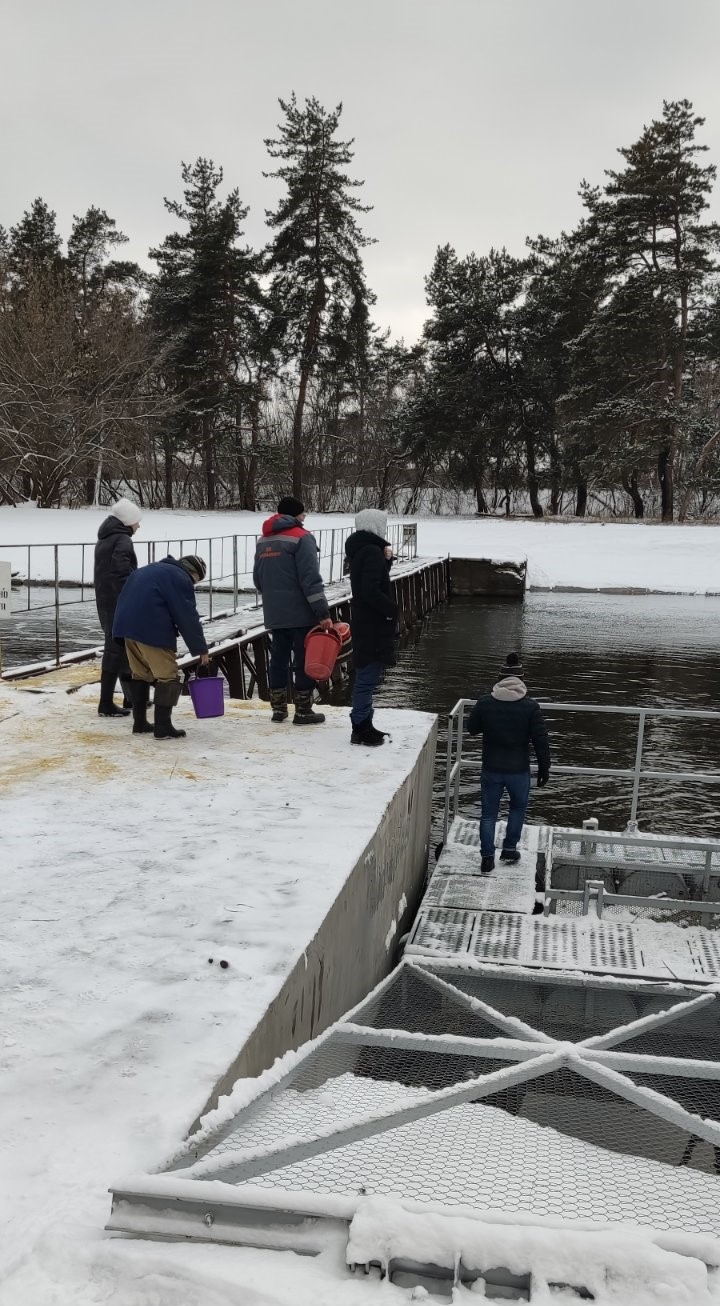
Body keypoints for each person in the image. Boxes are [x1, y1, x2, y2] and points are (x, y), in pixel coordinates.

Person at [467, 652, 550, 872]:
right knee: (517, 808)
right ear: (521, 681)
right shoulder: (530, 706)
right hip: (518, 770)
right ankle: (509, 849)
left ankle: (486, 858)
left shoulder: (485, 702)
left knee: (488, 814)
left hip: (491, 768)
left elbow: (471, 729)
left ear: (499, 680)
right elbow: (541, 740)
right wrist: (544, 767)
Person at [253, 496, 332, 726]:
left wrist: (273, 597)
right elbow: (310, 580)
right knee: (304, 659)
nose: (305, 517)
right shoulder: (302, 538)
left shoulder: (263, 540)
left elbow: (258, 579)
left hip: (274, 612)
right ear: (295, 515)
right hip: (301, 612)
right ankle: (303, 711)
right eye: (303, 513)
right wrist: (323, 613)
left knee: (277, 658)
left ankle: (278, 709)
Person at [113, 554, 209, 740]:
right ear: (193, 573)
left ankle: (139, 723)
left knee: (140, 674)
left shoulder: (148, 569)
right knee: (168, 677)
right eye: (196, 580)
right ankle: (163, 727)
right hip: (151, 629)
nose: (194, 584)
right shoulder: (180, 578)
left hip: (125, 628)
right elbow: (187, 616)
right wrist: (201, 648)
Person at [344, 508, 398, 747]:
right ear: (376, 526)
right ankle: (360, 728)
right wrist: (391, 610)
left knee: (367, 674)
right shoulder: (371, 552)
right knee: (367, 677)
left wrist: (386, 562)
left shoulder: (361, 550)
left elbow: (369, 582)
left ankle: (365, 722)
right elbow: (370, 591)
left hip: (364, 621)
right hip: (372, 624)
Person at [94, 498, 141, 717]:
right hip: (118, 599)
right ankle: (106, 703)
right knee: (116, 648)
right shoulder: (122, 539)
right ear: (128, 521)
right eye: (137, 521)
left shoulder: (105, 538)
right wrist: (133, 592)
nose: (138, 526)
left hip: (104, 598)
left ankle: (130, 698)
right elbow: (121, 570)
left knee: (119, 646)